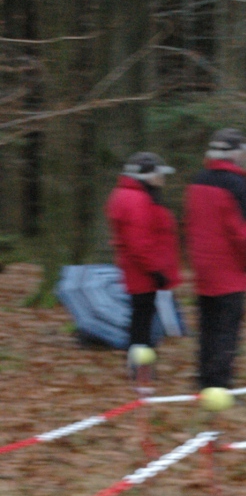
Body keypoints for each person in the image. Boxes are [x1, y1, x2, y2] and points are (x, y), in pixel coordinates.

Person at [184, 127, 246, 391]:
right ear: (236, 154)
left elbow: (191, 225)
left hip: (203, 268)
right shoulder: (238, 185)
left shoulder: (197, 180)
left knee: (207, 326)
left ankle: (203, 379)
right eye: (244, 152)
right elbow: (244, 233)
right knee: (227, 329)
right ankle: (219, 384)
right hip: (230, 270)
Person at [105, 152, 181, 376]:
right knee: (142, 321)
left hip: (140, 268)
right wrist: (156, 270)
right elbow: (139, 243)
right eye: (159, 174)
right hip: (143, 271)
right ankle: (140, 368)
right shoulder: (136, 199)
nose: (163, 179)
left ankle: (140, 365)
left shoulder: (132, 195)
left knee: (142, 318)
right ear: (147, 176)